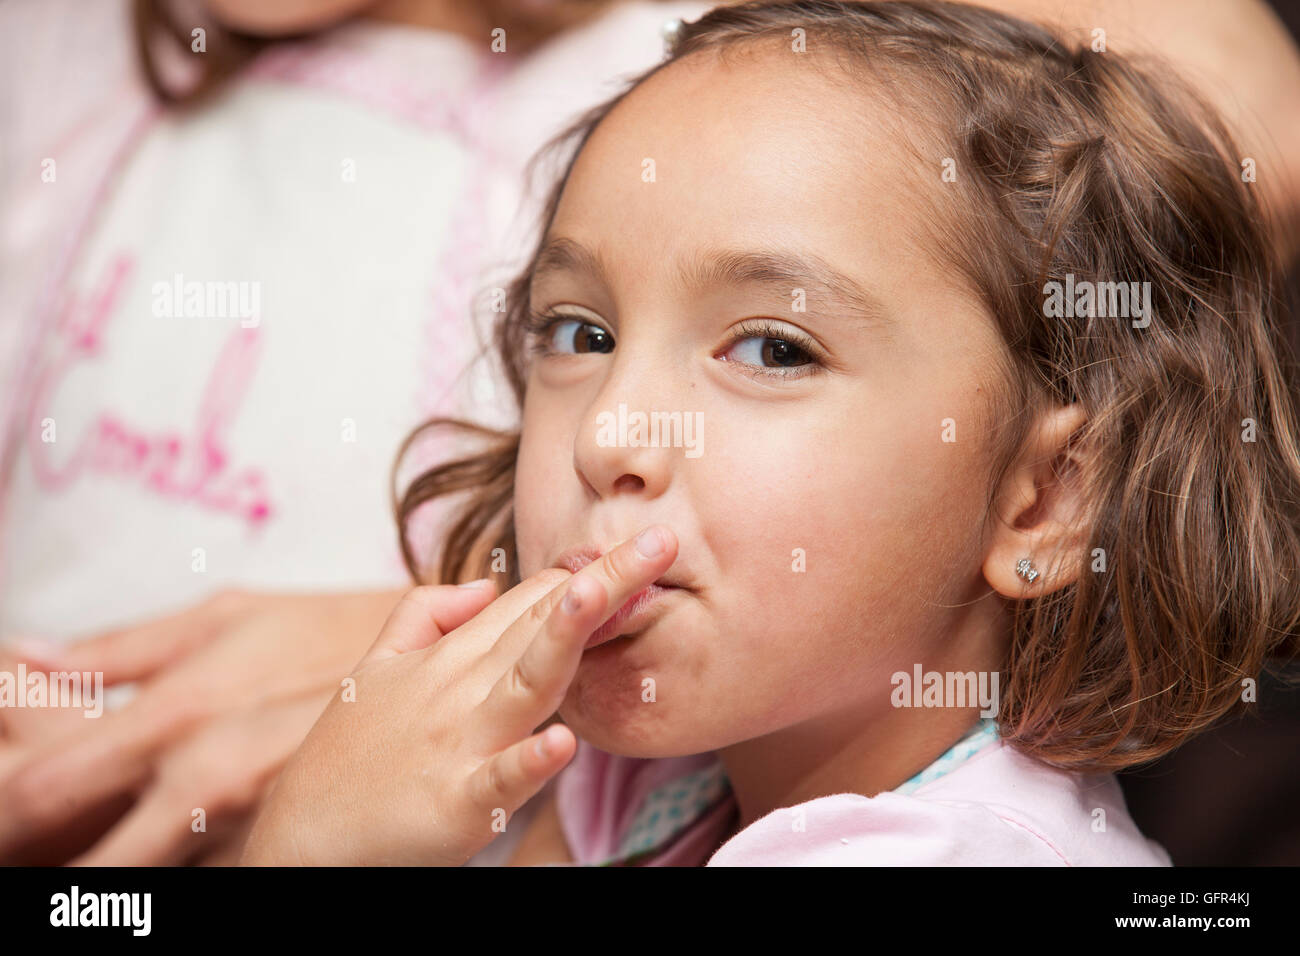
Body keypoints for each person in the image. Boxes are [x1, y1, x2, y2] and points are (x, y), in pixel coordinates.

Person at [240, 0, 1300, 865]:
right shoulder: (648, 762)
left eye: (773, 350)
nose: (607, 433)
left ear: (1044, 497)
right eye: (580, 331)